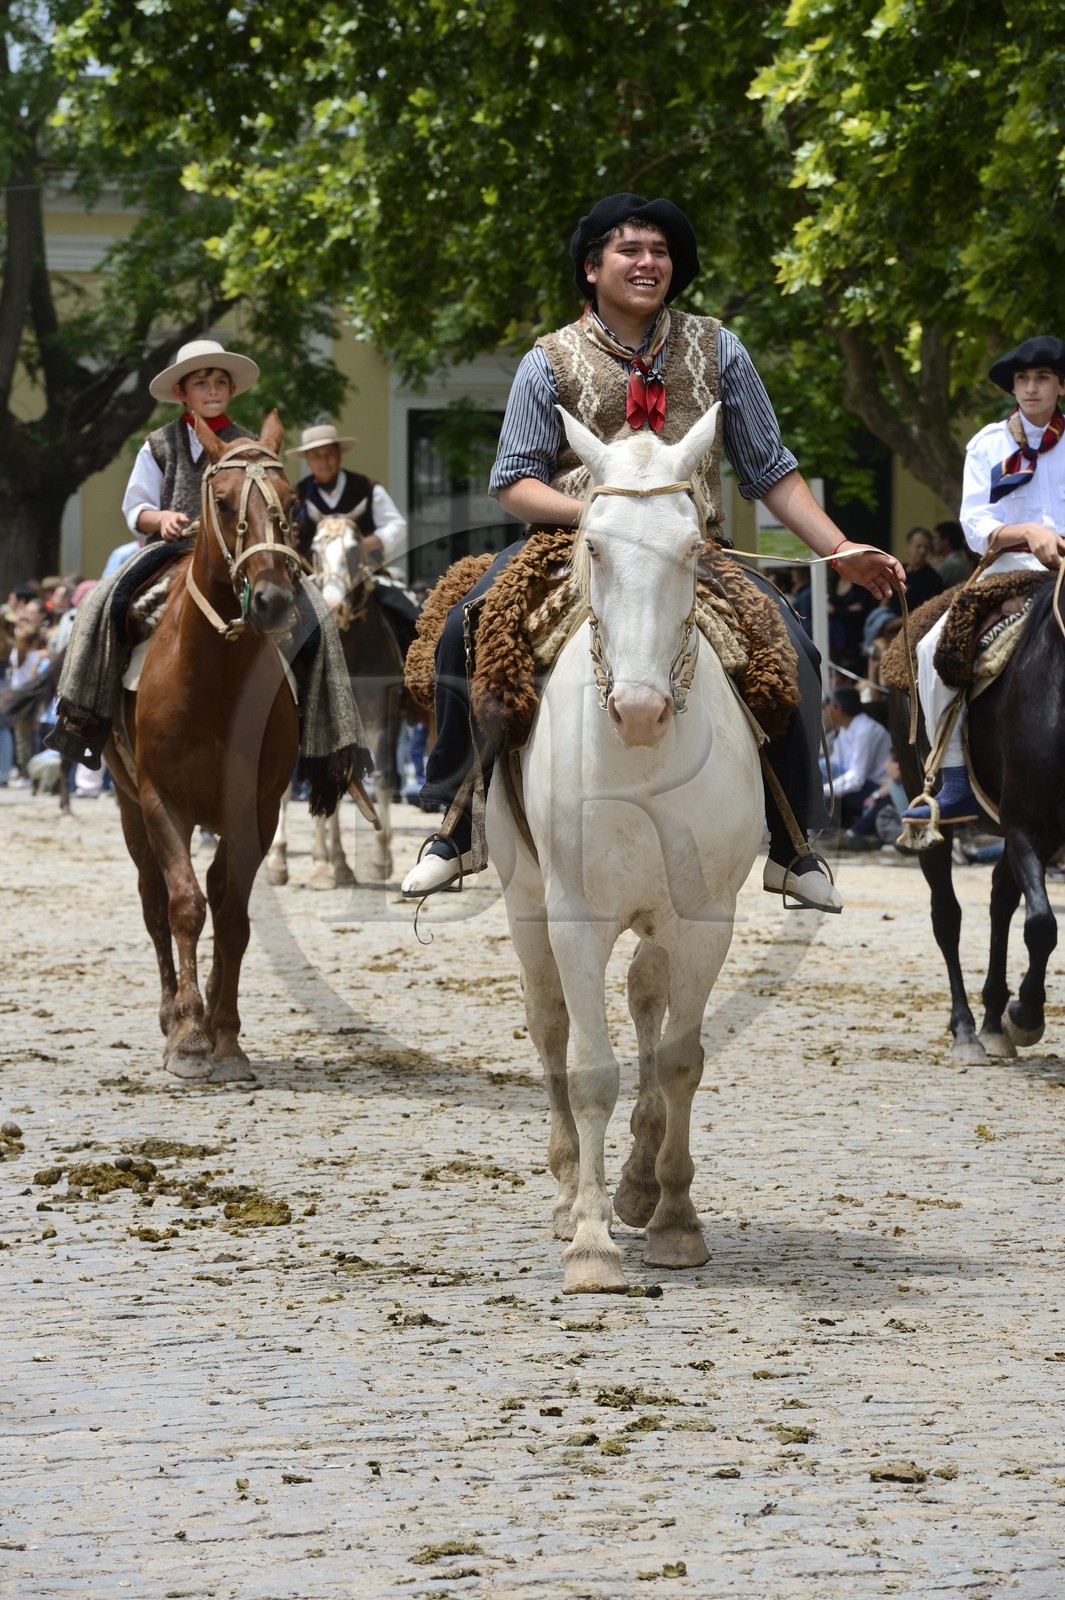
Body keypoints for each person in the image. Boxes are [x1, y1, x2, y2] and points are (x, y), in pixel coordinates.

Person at [401, 191, 904, 906]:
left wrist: (839, 544)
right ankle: (453, 830)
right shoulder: (546, 360)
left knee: (795, 650)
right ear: (591, 268)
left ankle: (792, 847)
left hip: (692, 549)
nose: (647, 262)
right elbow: (513, 482)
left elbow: (768, 469)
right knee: (465, 626)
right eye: (629, 250)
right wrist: (606, 520)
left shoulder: (719, 346)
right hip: (572, 543)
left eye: (660, 251)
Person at [48, 340, 362, 779]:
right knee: (106, 601)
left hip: (241, 556)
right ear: (182, 392)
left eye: (219, 382)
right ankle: (85, 714)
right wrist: (162, 519)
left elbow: (273, 502)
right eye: (201, 383)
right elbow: (134, 509)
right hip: (172, 549)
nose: (211, 390)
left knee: (318, 620)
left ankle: (330, 740)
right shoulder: (158, 443)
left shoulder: (252, 446)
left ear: (232, 388)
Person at [904, 335, 1065, 825]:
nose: (1031, 388)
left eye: (1041, 378)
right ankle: (953, 780)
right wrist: (1028, 531)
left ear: (1060, 384)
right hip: (1005, 568)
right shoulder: (988, 443)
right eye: (1022, 379)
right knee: (930, 649)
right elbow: (975, 524)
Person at [288, 423, 408, 570]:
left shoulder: (366, 488)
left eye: (329, 454)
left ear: (339, 455)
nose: (324, 462)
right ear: (307, 460)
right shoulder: (296, 495)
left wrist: (363, 545)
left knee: (396, 594)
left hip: (364, 576)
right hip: (312, 578)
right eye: (316, 456)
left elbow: (396, 525)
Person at [823, 687, 892, 828]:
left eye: (830, 706)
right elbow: (836, 763)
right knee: (820, 768)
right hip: (855, 784)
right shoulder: (845, 729)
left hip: (876, 788)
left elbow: (857, 778)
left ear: (839, 708)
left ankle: (825, 831)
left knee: (821, 768)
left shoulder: (866, 730)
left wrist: (823, 791)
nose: (827, 711)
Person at [932, 519, 975, 589]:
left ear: (946, 540)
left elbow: (932, 582)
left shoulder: (952, 563)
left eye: (936, 538)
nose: (933, 542)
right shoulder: (960, 559)